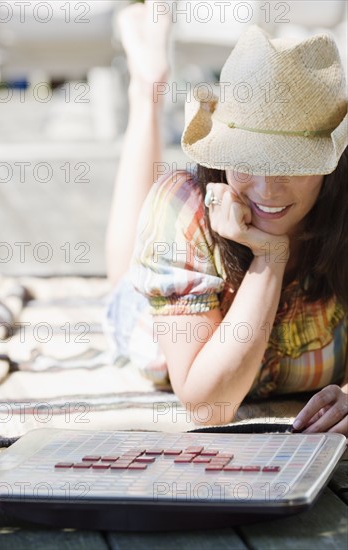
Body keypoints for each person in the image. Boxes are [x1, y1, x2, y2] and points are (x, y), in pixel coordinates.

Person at [104, 1, 348, 435]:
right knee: (124, 279)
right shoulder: (184, 205)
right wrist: (270, 257)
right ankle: (147, 87)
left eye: (293, 163)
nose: (268, 189)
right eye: (248, 160)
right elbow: (209, 408)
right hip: (146, 320)